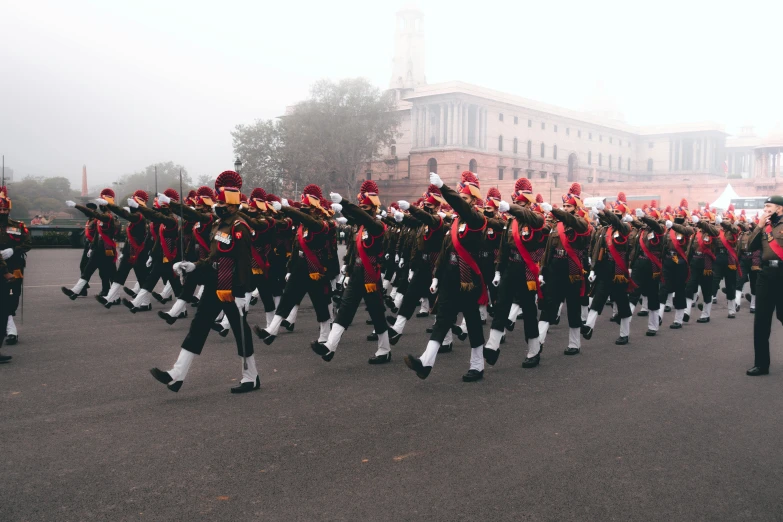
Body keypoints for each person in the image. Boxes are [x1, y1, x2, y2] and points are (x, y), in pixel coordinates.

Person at [149, 170, 259, 394]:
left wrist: (243, 293)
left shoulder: (240, 228)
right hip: (214, 282)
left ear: (233, 205)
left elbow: (244, 262)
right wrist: (194, 266)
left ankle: (251, 376)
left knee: (240, 332)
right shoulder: (219, 225)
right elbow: (212, 257)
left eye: (222, 203)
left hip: (232, 287)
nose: (218, 205)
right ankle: (177, 374)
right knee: (198, 326)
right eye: (217, 202)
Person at [404, 171, 490, 382]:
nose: (461, 200)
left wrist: (443, 187)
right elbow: (445, 251)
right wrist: (436, 276)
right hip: (450, 280)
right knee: (442, 321)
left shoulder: (477, 219)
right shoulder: (456, 221)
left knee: (472, 323)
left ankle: (478, 366)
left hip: (468, 281)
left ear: (473, 199)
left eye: (465, 197)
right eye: (460, 196)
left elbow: (459, 205)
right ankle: (425, 363)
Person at [311, 181, 391, 363]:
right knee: (345, 310)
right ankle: (330, 347)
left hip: (371, 275)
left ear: (372, 208)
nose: (362, 209)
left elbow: (363, 218)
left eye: (365, 206)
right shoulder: (360, 227)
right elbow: (355, 248)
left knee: (377, 314)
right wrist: (347, 268)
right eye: (361, 206)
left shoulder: (377, 226)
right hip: (356, 273)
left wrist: (346, 203)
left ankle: (385, 349)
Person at [485, 178, 549, 367]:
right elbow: (504, 249)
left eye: (521, 203)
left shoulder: (537, 220)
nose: (517, 206)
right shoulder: (510, 222)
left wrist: (513, 209)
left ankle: (534, 351)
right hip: (511, 268)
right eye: (516, 202)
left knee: (529, 312)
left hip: (527, 271)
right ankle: (492, 346)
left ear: (528, 203)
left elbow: (531, 219)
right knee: (501, 306)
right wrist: (498, 272)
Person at [746, 195, 783, 376]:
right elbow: (749, 246)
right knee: (761, 322)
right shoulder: (764, 226)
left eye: (769, 206)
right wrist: (760, 225)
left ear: (780, 208)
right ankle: (761, 364)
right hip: (766, 274)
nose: (766, 209)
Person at [62, 189, 120, 300]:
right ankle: (76, 291)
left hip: (107, 249)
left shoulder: (108, 217)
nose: (100, 206)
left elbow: (93, 213)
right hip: (98, 249)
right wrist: (92, 247)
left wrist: (76, 206)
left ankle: (115, 296)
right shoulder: (101, 218)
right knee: (88, 269)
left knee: (111, 273)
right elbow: (97, 235)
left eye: (102, 203)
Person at [98, 190, 152, 307]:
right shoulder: (135, 217)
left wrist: (109, 205)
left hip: (138, 252)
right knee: (120, 275)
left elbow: (125, 214)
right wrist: (123, 251)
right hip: (129, 251)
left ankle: (146, 302)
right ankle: (110, 298)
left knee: (142, 277)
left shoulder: (139, 217)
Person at [0, 185, 32, 347]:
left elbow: (27, 243)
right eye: (0, 209)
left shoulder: (18, 226)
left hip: (15, 266)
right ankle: (11, 330)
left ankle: (8, 324)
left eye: (5, 209)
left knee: (13, 297)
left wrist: (13, 250)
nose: (2, 212)